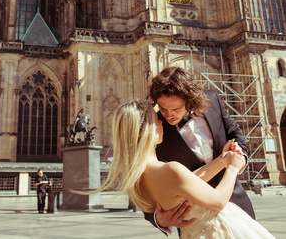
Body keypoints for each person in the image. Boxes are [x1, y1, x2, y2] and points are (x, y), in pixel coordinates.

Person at [99, 98, 275, 238]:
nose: (162, 122)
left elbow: (188, 181)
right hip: (221, 231)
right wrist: (232, 168)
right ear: (146, 130)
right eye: (156, 120)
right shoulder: (171, 170)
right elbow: (219, 201)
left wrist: (222, 160)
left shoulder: (140, 177)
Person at [145, 67, 255, 234]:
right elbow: (143, 178)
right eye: (163, 108)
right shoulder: (156, 129)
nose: (168, 115)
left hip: (238, 207)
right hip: (195, 223)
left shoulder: (212, 98)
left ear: (190, 101)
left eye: (176, 109)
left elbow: (233, 130)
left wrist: (240, 157)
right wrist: (156, 218)